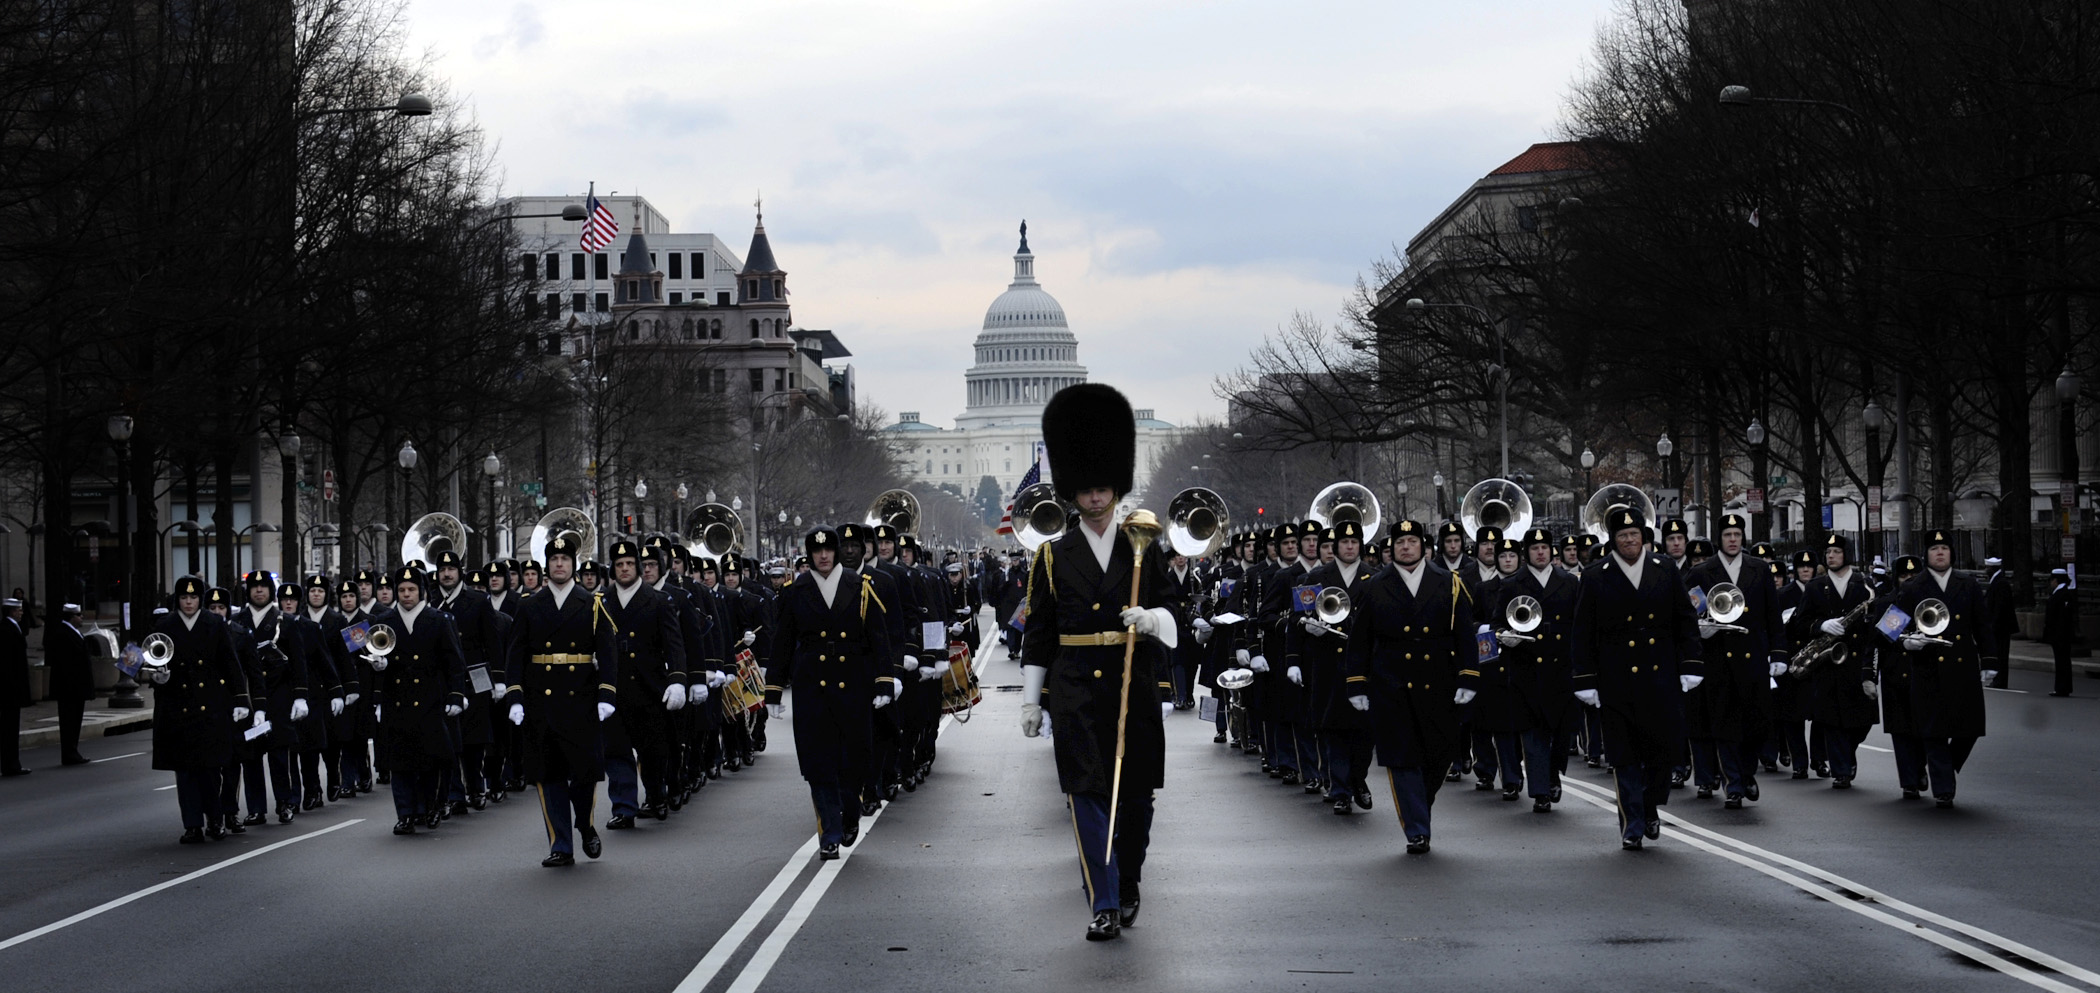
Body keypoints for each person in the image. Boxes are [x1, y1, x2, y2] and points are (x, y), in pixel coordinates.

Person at [1021, 383, 1177, 941]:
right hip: (1074, 688)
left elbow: (1175, 608)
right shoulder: (1052, 555)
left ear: (1115, 489)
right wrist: (1030, 699)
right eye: (1085, 491)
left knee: (1134, 798)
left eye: (1102, 490)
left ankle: (1127, 878)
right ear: (1072, 494)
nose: (1094, 500)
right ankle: (1103, 899)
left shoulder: (1145, 545)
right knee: (1086, 792)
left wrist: (1152, 620)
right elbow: (1039, 630)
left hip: (1132, 682)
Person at [1340, 519, 1477, 854]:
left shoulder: (1449, 583)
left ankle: (1419, 804)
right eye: (1399, 542)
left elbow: (1465, 635)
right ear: (1392, 547)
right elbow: (1360, 641)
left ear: (1424, 547)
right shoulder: (1374, 585)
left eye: (1412, 541)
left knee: (1440, 752)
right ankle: (1417, 829)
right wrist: (1356, 684)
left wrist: (1468, 676)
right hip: (1392, 684)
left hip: (1439, 681)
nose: (1405, 547)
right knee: (1402, 758)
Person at [1570, 507, 1703, 850]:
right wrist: (1584, 678)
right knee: (1624, 755)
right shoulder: (1597, 574)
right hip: (1616, 678)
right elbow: (1582, 630)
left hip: (1661, 675)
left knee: (1662, 751)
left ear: (1644, 537)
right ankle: (1632, 824)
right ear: (1613, 541)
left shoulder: (1665, 569)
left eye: (1634, 534)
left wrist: (1691, 664)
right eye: (1622, 536)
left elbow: (1685, 620)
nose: (1629, 541)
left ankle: (1649, 805)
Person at [763, 527, 893, 860]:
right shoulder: (795, 591)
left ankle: (850, 814)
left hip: (853, 683)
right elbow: (782, 643)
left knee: (853, 760)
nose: (823, 556)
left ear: (836, 553)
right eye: (816, 551)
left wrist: (883, 682)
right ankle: (830, 833)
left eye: (829, 550)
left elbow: (878, 638)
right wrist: (774, 690)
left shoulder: (860, 587)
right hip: (812, 686)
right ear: (809, 554)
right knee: (818, 763)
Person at [500, 531, 617, 866]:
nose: (560, 564)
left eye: (565, 559)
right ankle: (560, 845)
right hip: (542, 702)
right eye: (554, 560)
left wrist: (606, 694)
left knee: (583, 775)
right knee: (548, 776)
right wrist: (515, 697)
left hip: (581, 700)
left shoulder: (591, 604)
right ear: (547, 566)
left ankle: (585, 824)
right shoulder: (529, 605)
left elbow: (608, 654)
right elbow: (515, 655)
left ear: (573, 564)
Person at [1681, 514, 1786, 809]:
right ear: (1720, 539)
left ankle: (1747, 772)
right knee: (1725, 723)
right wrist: (1704, 629)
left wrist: (1778, 654)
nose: (1732, 539)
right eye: (1727, 534)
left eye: (1737, 534)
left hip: (1753, 655)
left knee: (1756, 722)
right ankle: (1734, 784)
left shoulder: (1759, 569)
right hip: (1719, 659)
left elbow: (1772, 615)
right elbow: (1690, 616)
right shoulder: (1703, 572)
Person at [145, 576, 251, 842]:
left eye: (193, 597)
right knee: (185, 771)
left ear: (200, 599)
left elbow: (231, 663)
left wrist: (241, 699)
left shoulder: (214, 624)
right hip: (177, 707)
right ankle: (192, 825)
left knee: (210, 769)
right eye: (184, 597)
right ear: (177, 600)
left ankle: (215, 820)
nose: (189, 602)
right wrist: (156, 678)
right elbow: (153, 660)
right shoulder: (165, 625)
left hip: (212, 706)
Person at [1894, 530, 1995, 807]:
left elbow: (1983, 626)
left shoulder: (1968, 584)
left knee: (1970, 728)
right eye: (1935, 548)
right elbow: (1890, 627)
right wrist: (1907, 642)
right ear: (1926, 554)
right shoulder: (1913, 587)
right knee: (1934, 731)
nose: (1940, 552)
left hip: (1962, 669)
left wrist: (1989, 661)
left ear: (1952, 553)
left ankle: (1945, 768)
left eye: (1945, 548)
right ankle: (1943, 789)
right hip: (1927, 669)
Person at [368, 565, 469, 833]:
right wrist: (378, 667)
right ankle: (406, 813)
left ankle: (431, 806)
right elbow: (372, 654)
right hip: (397, 698)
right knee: (400, 762)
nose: (406, 594)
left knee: (430, 760)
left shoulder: (439, 620)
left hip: (431, 699)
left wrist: (456, 696)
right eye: (401, 590)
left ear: (422, 591)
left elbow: (454, 663)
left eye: (411, 589)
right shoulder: (385, 621)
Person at [1490, 527, 1581, 813]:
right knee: (1533, 733)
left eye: (1544, 547)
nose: (1540, 552)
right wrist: (1506, 636)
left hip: (1561, 668)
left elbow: (1580, 624)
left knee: (1561, 733)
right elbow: (1496, 625)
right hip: (1527, 668)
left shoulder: (1569, 582)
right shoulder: (1513, 584)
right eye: (1534, 548)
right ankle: (1541, 790)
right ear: (1526, 554)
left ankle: (1553, 773)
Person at [599, 540, 686, 828]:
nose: (624, 569)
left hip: (649, 687)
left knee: (652, 750)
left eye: (630, 564)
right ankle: (624, 807)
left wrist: (677, 680)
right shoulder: (602, 601)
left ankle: (656, 795)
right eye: (619, 565)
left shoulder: (658, 600)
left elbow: (674, 644)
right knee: (617, 750)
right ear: (612, 569)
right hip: (614, 687)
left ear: (638, 567)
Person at [1291, 521, 1376, 815]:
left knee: (1365, 732)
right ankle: (1340, 790)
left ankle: (1357, 778)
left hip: (1364, 666)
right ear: (1336, 546)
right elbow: (1296, 620)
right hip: (1327, 664)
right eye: (1344, 542)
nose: (1349, 547)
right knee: (1334, 731)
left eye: (1354, 542)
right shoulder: (1317, 576)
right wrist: (1306, 632)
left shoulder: (1375, 577)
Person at [47, 603, 91, 766]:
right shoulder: (63, 634)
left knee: (74, 721)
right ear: (72, 617)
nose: (82, 618)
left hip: (74, 687)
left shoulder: (73, 632)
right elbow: (66, 664)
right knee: (69, 722)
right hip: (69, 688)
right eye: (79, 615)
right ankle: (69, 753)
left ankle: (72, 751)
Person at [3, 598, 31, 776]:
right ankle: (11, 764)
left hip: (9, 687)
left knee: (10, 728)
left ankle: (11, 763)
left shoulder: (10, 628)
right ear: (12, 612)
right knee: (10, 729)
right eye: (19, 610)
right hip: (10, 689)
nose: (21, 613)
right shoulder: (8, 629)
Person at [2043, 568, 2077, 697]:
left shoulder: (2063, 594)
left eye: (2051, 580)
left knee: (2062, 661)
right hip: (2060, 634)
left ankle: (2062, 688)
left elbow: (2062, 618)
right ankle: (2063, 687)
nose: (2051, 583)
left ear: (2056, 580)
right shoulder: (2061, 593)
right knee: (2062, 661)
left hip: (2060, 635)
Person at [1982, 557, 2016, 689]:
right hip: (1998, 626)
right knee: (1998, 655)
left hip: (2000, 627)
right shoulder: (1997, 581)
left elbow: (1999, 608)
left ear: (1992, 569)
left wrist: (1993, 626)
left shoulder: (2000, 583)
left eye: (1987, 568)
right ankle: (1998, 680)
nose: (1986, 570)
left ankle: (2000, 681)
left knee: (2000, 655)